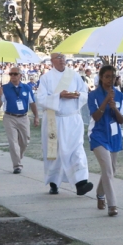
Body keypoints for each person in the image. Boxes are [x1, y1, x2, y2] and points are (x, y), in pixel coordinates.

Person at [37, 53, 93, 196]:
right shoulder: (46, 78)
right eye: (58, 58)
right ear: (52, 61)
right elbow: (41, 99)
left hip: (72, 119)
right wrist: (59, 96)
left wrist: (77, 95)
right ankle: (54, 183)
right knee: (54, 152)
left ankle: (81, 183)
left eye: (63, 57)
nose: (62, 60)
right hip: (54, 120)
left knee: (77, 150)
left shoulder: (73, 75)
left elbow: (84, 92)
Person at [88, 65, 123, 217]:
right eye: (107, 76)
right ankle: (112, 205)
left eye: (112, 77)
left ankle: (100, 193)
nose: (109, 80)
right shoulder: (93, 95)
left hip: (114, 136)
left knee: (110, 170)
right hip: (98, 135)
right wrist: (105, 101)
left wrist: (115, 108)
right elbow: (96, 116)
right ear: (101, 77)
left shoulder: (121, 96)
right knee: (108, 169)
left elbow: (122, 120)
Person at [0, 67, 39, 174]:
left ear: (20, 75)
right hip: (10, 117)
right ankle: (17, 165)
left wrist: (36, 116)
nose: (13, 76)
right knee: (13, 142)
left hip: (23, 117)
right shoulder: (4, 88)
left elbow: (32, 103)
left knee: (25, 141)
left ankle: (17, 157)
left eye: (15, 74)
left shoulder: (26, 87)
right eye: (11, 74)